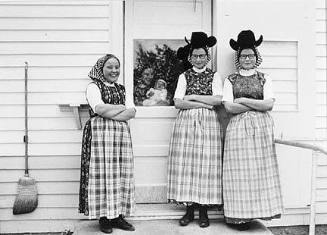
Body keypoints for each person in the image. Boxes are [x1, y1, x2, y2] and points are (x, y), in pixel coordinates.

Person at [222, 30, 284, 231]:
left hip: (261, 129)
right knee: (239, 173)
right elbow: (229, 107)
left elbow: (268, 105)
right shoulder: (230, 80)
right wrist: (255, 104)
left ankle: (258, 212)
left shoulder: (265, 78)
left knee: (259, 172)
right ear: (238, 58)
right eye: (243, 56)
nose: (247, 59)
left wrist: (244, 100)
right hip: (238, 130)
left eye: (250, 55)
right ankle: (240, 217)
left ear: (256, 57)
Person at [167, 32, 223, 228]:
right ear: (190, 57)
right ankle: (189, 211)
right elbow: (178, 102)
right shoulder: (184, 76)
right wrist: (201, 103)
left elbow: (217, 100)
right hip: (187, 124)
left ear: (207, 57)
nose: (199, 59)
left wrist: (193, 97)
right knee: (188, 165)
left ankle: (203, 212)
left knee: (205, 166)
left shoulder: (214, 76)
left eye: (202, 56)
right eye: (195, 56)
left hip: (209, 124)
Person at [79, 54, 136, 234]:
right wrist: (120, 107)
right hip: (99, 136)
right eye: (109, 67)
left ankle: (118, 216)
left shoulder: (122, 88)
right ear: (101, 69)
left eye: (116, 67)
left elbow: (132, 112)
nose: (114, 71)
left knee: (120, 173)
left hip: (120, 137)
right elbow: (99, 109)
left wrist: (111, 110)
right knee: (102, 174)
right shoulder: (93, 87)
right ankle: (104, 217)